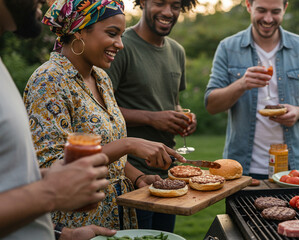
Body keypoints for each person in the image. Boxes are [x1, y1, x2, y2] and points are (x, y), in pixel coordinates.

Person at [23, 0, 186, 231]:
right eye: (112, 34)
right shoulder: (49, 81)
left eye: (121, 35)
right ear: (79, 30)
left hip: (117, 214)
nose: (120, 44)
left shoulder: (100, 77)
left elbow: (108, 150)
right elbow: (52, 168)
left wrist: (138, 178)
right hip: (76, 224)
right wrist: (128, 144)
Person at [0, 0, 117, 239]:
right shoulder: (47, 78)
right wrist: (51, 191)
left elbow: (13, 178)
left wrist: (62, 234)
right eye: (113, 33)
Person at [204, 0, 299, 180]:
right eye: (261, 10)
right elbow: (211, 105)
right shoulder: (228, 47)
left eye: (275, 11)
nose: (268, 19)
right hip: (241, 170)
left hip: (292, 170)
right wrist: (242, 84)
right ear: (248, 6)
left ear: (285, 8)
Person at [104, 0, 197, 232]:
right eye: (160, 3)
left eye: (175, 5)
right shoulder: (118, 45)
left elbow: (171, 101)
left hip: (167, 173)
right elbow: (100, 110)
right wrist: (151, 118)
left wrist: (181, 117)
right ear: (143, 2)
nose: (168, 12)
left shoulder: (177, 50)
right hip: (130, 174)